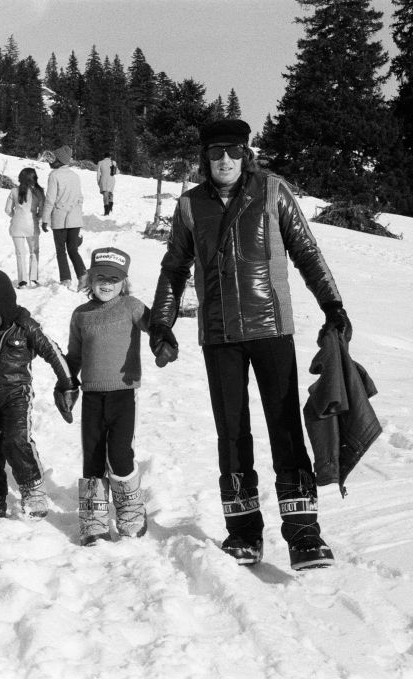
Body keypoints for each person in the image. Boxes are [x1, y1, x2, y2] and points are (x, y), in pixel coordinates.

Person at [149, 118, 353, 570]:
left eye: (233, 152)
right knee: (232, 433)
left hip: (271, 329)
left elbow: (307, 253)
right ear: (205, 158)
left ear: (246, 153)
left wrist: (333, 306)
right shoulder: (189, 206)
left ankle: (304, 535)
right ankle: (243, 532)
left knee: (284, 427)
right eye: (216, 153)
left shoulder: (273, 192)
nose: (225, 161)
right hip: (219, 336)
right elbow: (174, 268)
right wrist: (162, 322)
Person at [0, 268, 79, 521]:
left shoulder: (25, 327)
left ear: (4, 304)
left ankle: (32, 488)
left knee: (16, 442)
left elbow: (53, 352)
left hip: (16, 397)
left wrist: (67, 383)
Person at [67, 247, 151, 545]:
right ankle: (94, 519)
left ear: (123, 281)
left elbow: (154, 324)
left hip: (123, 394)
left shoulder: (131, 306)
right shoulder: (81, 315)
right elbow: (74, 356)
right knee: (92, 457)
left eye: (113, 279)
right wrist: (64, 384)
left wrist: (165, 338)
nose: (106, 283)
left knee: (119, 453)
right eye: (100, 277)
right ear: (90, 278)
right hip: (91, 396)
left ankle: (130, 509)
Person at [40, 144, 87, 288]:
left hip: (60, 218)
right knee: (73, 249)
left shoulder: (54, 176)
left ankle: (66, 279)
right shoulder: (75, 176)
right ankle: (83, 277)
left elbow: (50, 199)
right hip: (75, 218)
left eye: (53, 159)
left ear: (59, 161)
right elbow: (80, 197)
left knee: (61, 250)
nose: (50, 161)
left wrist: (45, 219)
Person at [4, 167, 44, 288]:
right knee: (34, 251)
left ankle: (22, 281)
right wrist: (37, 216)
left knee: (20, 253)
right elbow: (42, 211)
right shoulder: (38, 191)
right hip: (31, 225)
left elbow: (7, 210)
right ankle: (34, 278)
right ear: (34, 178)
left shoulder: (14, 191)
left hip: (16, 225)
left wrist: (14, 215)